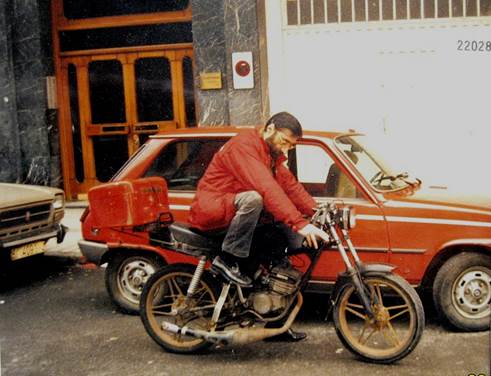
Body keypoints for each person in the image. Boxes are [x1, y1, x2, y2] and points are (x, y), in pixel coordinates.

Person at [189, 111, 330, 285]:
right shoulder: (243, 146)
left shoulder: (268, 153)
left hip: (232, 210)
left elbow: (290, 186)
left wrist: (317, 210)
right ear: (270, 128)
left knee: (275, 226)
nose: (286, 149)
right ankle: (228, 259)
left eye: (291, 146)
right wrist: (300, 223)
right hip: (212, 208)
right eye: (284, 141)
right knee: (255, 199)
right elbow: (266, 187)